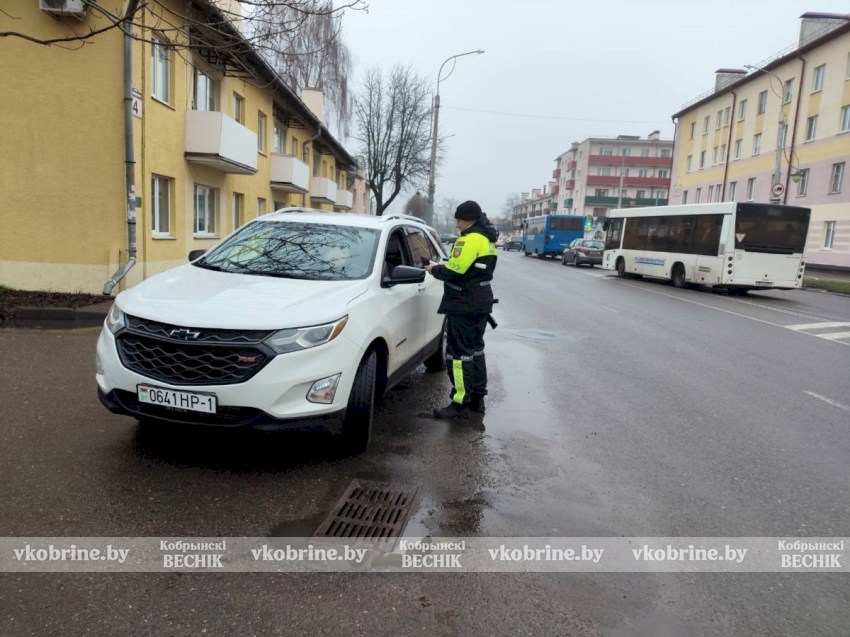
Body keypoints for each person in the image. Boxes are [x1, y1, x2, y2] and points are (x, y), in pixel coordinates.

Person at [424, 200, 498, 419]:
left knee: (458, 355)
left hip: (464, 304)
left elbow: (454, 272)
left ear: (468, 220)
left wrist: (433, 268)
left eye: (458, 220)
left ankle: (459, 402)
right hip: (481, 300)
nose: (457, 225)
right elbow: (473, 270)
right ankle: (477, 398)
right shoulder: (487, 239)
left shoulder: (468, 240)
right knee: (475, 350)